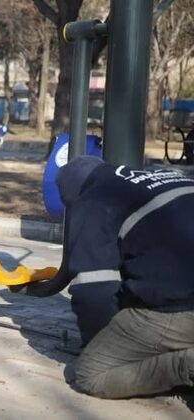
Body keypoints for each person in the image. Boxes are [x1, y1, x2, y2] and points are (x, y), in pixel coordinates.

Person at [54, 155, 194, 399]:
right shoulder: (164, 176)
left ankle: (186, 365)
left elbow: (94, 291)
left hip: (182, 307)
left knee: (91, 373)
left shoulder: (92, 201)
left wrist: (97, 341)